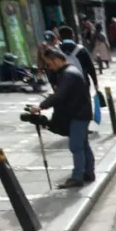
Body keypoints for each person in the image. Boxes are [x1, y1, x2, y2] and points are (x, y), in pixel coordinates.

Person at [30, 48, 94, 188]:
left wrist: (41, 106)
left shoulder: (68, 74)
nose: (49, 67)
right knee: (83, 145)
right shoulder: (68, 72)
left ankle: (77, 177)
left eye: (50, 64)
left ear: (58, 60)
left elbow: (60, 95)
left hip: (79, 114)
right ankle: (88, 172)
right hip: (80, 113)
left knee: (76, 146)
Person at [58, 26, 99, 94]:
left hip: (64, 85)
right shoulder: (81, 49)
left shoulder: (56, 51)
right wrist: (95, 83)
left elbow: (52, 69)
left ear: (59, 37)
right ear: (72, 36)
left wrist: (54, 84)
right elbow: (90, 67)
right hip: (82, 83)